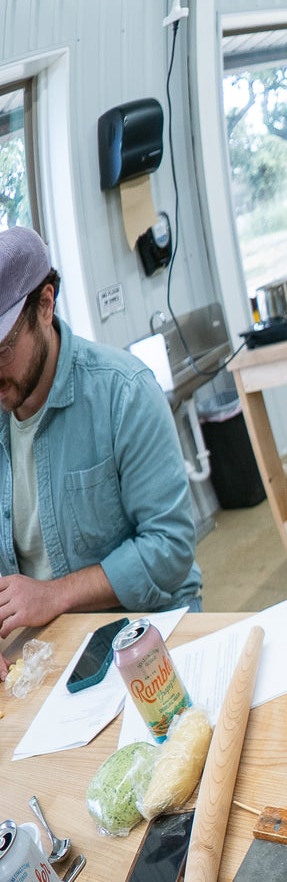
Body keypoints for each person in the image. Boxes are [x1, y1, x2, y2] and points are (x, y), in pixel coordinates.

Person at [0, 226, 201, 640]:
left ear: (45, 304)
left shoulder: (124, 393)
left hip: (147, 627)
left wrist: (55, 595)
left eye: (2, 350)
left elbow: (171, 546)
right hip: (46, 644)